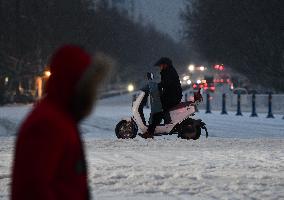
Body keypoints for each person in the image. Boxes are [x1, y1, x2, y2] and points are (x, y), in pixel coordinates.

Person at [11, 45, 111, 200]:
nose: (94, 93)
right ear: (76, 83)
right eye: (91, 85)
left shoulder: (62, 119)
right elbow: (32, 190)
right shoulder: (48, 124)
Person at [139, 72, 163, 139]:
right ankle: (149, 132)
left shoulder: (153, 84)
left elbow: (148, 86)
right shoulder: (156, 84)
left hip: (159, 104)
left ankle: (149, 133)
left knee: (154, 117)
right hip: (158, 103)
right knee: (153, 116)